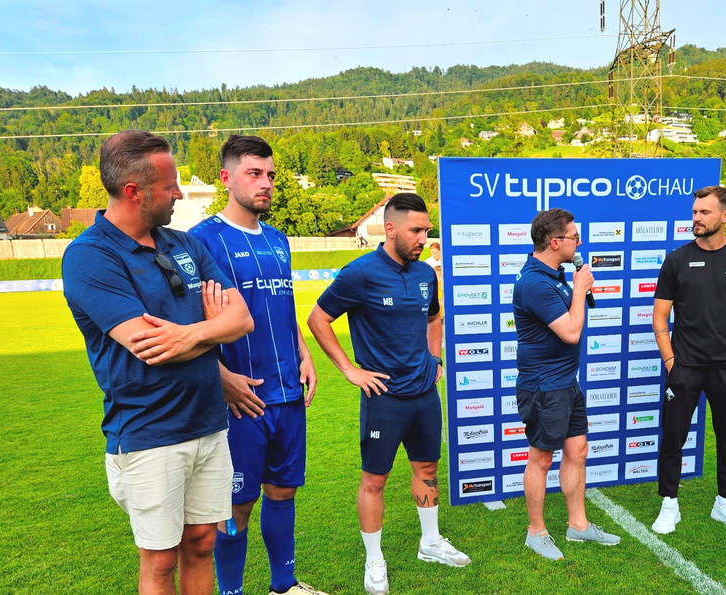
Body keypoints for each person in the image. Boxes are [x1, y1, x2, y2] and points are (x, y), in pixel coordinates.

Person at [62, 130, 254, 594]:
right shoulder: (90, 256)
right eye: (170, 187)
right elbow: (150, 347)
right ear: (135, 192)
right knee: (161, 560)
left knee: (203, 542)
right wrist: (212, 328)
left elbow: (242, 318)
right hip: (150, 432)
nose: (180, 194)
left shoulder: (183, 244)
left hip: (208, 423)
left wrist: (193, 334)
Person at [306, 193, 469, 595]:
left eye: (427, 230)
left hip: (424, 395)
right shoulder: (360, 273)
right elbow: (317, 318)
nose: (423, 238)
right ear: (391, 228)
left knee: (427, 471)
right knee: (374, 481)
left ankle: (430, 542)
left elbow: (435, 318)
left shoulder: (425, 274)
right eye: (416, 230)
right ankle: (374, 558)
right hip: (384, 398)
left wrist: (434, 358)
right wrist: (350, 370)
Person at [188, 135, 325, 595]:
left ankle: (283, 586)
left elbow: (281, 308)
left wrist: (304, 353)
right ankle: (231, 591)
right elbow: (189, 323)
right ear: (226, 178)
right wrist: (221, 377)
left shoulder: (278, 239)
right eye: (254, 174)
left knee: (283, 493)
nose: (266, 183)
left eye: (270, 175)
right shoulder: (201, 240)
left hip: (288, 393)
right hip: (241, 400)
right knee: (237, 504)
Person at [649, 186, 726, 535]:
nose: (696, 218)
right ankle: (669, 504)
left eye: (704, 212)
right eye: (695, 212)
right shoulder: (677, 259)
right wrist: (672, 362)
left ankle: (725, 503)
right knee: (673, 438)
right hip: (685, 367)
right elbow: (659, 318)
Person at [513, 207, 621, 560]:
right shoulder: (534, 282)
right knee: (541, 459)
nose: (579, 242)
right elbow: (571, 332)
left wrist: (575, 287)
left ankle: (578, 526)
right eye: (575, 237)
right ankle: (536, 532)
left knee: (577, 452)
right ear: (555, 241)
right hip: (544, 387)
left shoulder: (554, 274)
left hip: (565, 383)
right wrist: (580, 289)